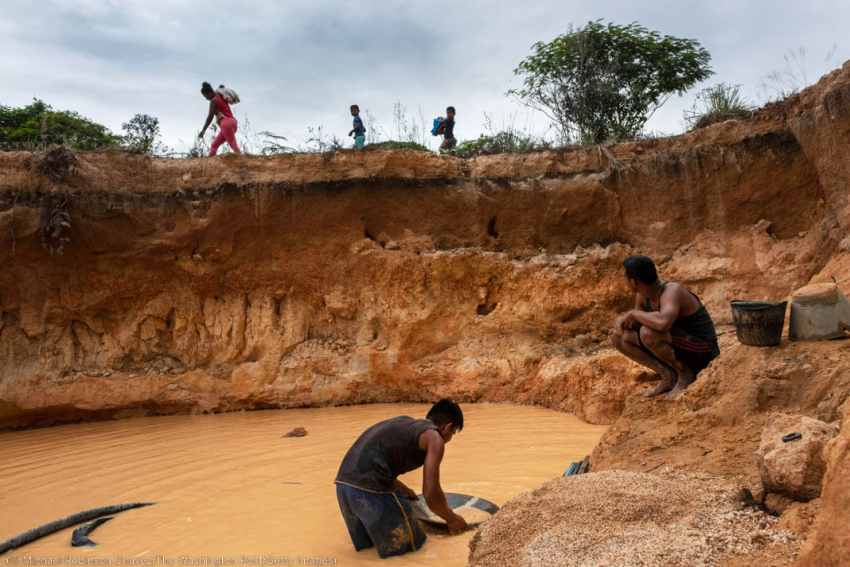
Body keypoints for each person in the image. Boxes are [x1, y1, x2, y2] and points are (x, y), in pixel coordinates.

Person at [334, 399, 468, 558]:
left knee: (368, 553)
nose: (450, 438)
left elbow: (371, 460)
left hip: (343, 487)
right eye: (453, 433)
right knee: (412, 551)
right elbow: (430, 492)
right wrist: (451, 518)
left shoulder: (405, 423)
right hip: (372, 489)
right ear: (448, 427)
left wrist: (403, 488)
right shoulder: (435, 438)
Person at [610, 255, 720, 400]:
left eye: (624, 278)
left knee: (648, 333)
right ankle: (668, 376)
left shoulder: (671, 291)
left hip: (704, 350)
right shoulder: (642, 296)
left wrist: (633, 314)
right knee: (618, 337)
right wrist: (624, 322)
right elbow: (639, 322)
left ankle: (685, 374)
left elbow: (662, 323)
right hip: (681, 347)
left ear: (633, 282)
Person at [199, 81, 241, 156]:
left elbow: (210, 117)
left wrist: (203, 130)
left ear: (209, 93)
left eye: (206, 96)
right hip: (232, 123)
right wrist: (220, 87)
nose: (206, 99)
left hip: (226, 124)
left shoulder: (213, 101)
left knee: (234, 146)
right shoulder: (219, 96)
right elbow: (219, 90)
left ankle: (243, 161)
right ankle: (211, 162)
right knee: (214, 145)